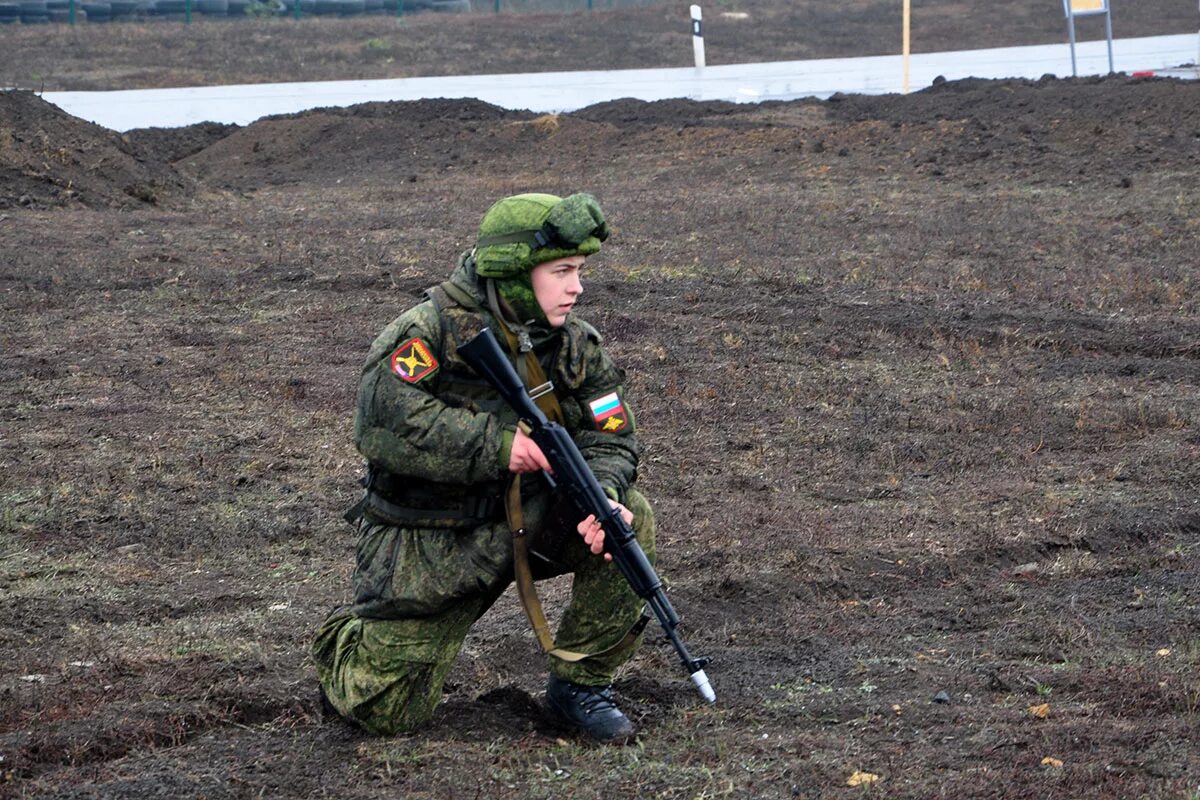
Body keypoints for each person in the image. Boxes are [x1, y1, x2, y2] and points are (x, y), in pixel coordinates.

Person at [311, 192, 656, 744]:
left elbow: (611, 433)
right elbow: (385, 422)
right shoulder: (428, 331)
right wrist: (497, 445)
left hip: (532, 521)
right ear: (516, 272)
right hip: (432, 538)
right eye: (561, 271)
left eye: (580, 271)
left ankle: (579, 687)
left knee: (627, 521)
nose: (577, 287)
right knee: (387, 712)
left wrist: (604, 495)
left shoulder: (575, 345)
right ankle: (347, 640)